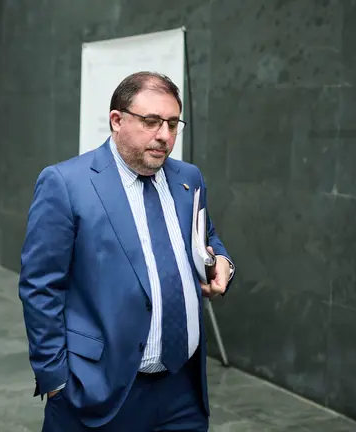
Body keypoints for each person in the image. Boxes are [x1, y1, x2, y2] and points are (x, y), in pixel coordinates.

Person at [18, 71, 236, 431]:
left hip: (184, 389)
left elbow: (207, 234)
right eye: (151, 122)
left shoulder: (189, 178)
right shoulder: (67, 183)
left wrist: (223, 261)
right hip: (100, 389)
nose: (164, 136)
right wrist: (56, 380)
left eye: (172, 123)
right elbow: (40, 287)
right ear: (117, 120)